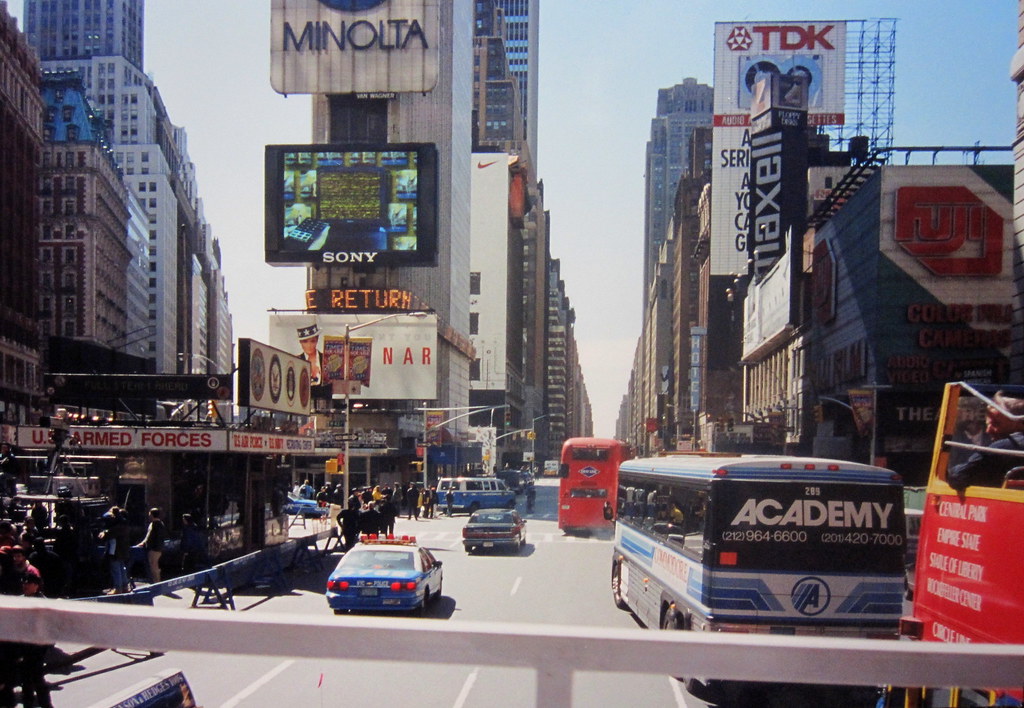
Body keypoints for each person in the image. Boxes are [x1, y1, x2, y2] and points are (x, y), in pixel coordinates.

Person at [948, 392, 1024, 491]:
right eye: (987, 424)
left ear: (1020, 423)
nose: (988, 430)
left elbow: (957, 476)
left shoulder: (1004, 447)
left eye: (996, 424)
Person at [17, 570, 53, 708]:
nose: (25, 585)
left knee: (36, 677)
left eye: (29, 583)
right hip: (23, 645)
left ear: (36, 586)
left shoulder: (42, 603)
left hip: (38, 646)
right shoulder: (19, 601)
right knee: (26, 680)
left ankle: (46, 705)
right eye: (24, 583)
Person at [134, 508, 167, 583]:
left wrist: (143, 543)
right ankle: (156, 581)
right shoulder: (161, 524)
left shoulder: (154, 524)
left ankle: (156, 582)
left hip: (154, 549)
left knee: (153, 566)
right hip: (159, 548)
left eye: (149, 514)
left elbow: (149, 537)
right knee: (155, 565)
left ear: (152, 514)